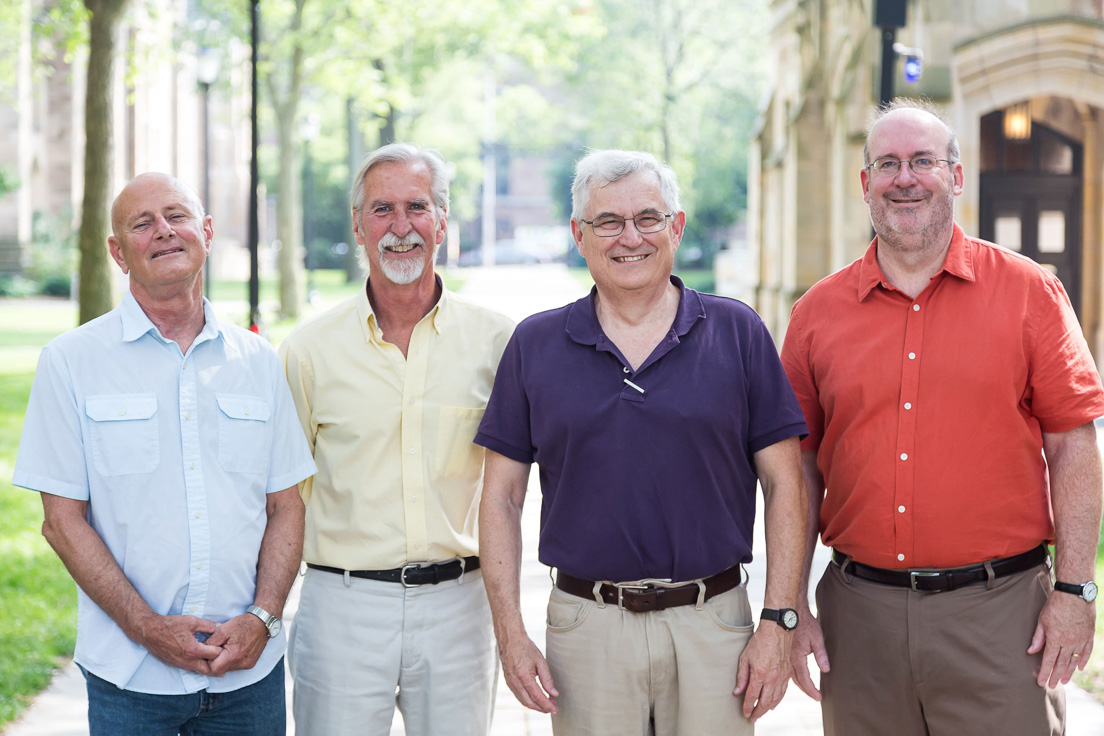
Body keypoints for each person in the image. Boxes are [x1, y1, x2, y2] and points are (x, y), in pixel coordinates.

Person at [781, 98, 1104, 736]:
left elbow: (1074, 445)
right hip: (860, 619)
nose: (906, 178)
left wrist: (1074, 591)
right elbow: (796, 468)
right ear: (865, 182)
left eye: (924, 161)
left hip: (1002, 617)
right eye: (889, 163)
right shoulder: (816, 313)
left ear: (955, 176)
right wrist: (788, 602)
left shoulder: (1029, 292)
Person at [475, 149, 809, 735]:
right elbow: (500, 499)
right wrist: (510, 631)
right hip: (588, 627)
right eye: (608, 221)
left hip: (715, 626)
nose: (630, 237)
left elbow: (785, 484)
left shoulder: (739, 333)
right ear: (580, 235)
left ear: (676, 227)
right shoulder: (535, 344)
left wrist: (777, 621)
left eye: (648, 218)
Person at [12, 172, 317, 735]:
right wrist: (145, 626)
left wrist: (264, 619)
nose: (163, 232)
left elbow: (287, 506)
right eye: (142, 223)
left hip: (248, 675)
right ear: (117, 251)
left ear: (205, 231)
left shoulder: (258, 361)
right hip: (130, 679)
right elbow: (61, 522)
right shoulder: (71, 362)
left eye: (176, 216)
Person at [279, 142, 514, 736]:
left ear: (441, 221)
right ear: (358, 225)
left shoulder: (500, 343)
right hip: (343, 606)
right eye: (382, 210)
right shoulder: (308, 352)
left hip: (461, 604)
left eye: (417, 207)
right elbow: (281, 495)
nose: (400, 228)